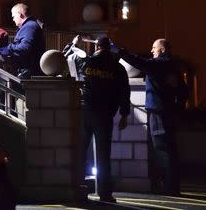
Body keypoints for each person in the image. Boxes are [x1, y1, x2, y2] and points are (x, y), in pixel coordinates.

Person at [63, 35, 130, 202]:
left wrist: (73, 43)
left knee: (80, 152)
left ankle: (77, 188)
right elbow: (124, 92)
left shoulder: (86, 62)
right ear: (109, 48)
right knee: (103, 155)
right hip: (105, 114)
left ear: (96, 47)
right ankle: (105, 194)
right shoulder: (118, 68)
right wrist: (124, 114)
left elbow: (62, 58)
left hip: (84, 112)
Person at [117, 39, 188, 195]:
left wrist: (121, 52)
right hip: (167, 111)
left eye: (154, 48)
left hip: (158, 111)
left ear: (161, 50)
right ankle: (171, 185)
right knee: (170, 148)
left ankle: (170, 187)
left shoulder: (160, 64)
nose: (151, 51)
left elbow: (140, 63)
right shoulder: (172, 66)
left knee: (162, 148)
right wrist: (177, 107)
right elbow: (183, 90)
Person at [0, 3, 45, 79]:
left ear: (20, 14)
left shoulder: (29, 26)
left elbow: (25, 47)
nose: (13, 19)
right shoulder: (30, 25)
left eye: (13, 16)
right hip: (29, 70)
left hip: (29, 71)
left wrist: (9, 48)